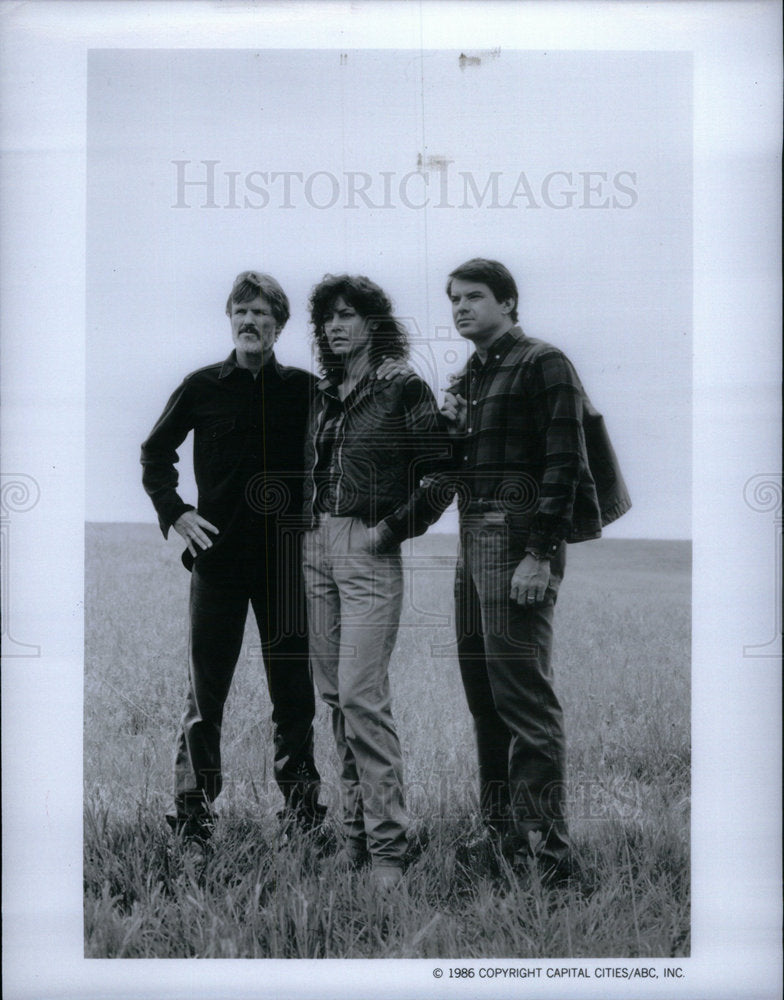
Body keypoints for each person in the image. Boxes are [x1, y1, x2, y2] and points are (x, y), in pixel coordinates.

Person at [440, 258, 631, 885]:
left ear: (509, 302)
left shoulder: (544, 362)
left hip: (517, 540)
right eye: (453, 300)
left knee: (525, 701)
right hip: (472, 538)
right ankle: (498, 841)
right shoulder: (470, 374)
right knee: (485, 700)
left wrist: (540, 553)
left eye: (473, 297)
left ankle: (549, 859)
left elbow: (564, 462)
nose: (460, 308)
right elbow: (455, 471)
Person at [140, 271, 326, 845]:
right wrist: (177, 512)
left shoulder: (306, 390)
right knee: (206, 692)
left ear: (280, 326)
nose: (250, 322)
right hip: (218, 563)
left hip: (287, 564)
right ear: (231, 320)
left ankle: (301, 817)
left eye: (262, 314)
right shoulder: (201, 387)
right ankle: (193, 821)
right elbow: (155, 453)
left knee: (293, 692)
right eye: (241, 313)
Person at [301, 274, 452, 889]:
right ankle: (355, 840)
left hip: (367, 545)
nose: (335, 327)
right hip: (315, 546)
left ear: (372, 322)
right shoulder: (327, 393)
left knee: (363, 696)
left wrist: (389, 531)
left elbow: (442, 476)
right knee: (336, 700)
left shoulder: (401, 387)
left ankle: (390, 851)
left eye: (347, 316)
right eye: (327, 320)